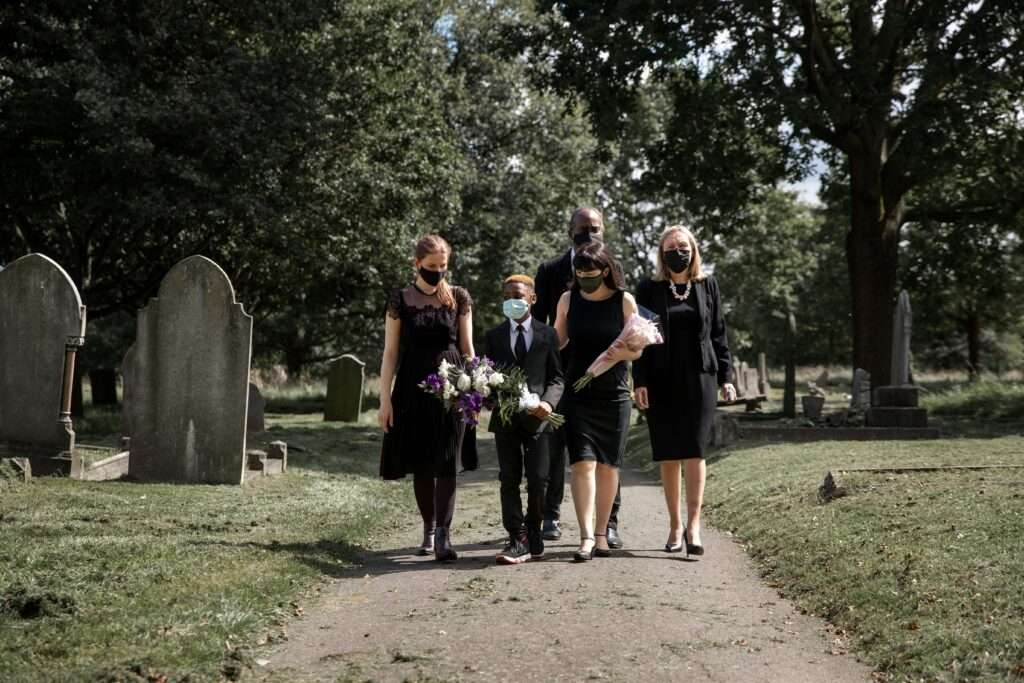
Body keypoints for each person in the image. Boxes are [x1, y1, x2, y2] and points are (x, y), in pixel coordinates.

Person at [633, 225, 736, 558]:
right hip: (661, 379)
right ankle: (675, 525)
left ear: (693, 250)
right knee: (668, 453)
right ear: (662, 254)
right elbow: (638, 338)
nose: (677, 251)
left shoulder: (708, 286)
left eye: (682, 246)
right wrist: (640, 381)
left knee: (694, 450)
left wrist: (727, 376)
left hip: (700, 377)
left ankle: (694, 525)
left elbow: (719, 333)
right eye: (670, 247)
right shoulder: (649, 289)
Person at [533, 207, 625, 549]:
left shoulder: (612, 266)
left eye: (596, 228)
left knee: (608, 459)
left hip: (607, 374)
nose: (590, 234)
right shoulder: (550, 271)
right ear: (570, 231)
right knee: (558, 448)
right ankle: (551, 514)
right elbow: (541, 325)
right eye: (583, 228)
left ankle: (609, 523)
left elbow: (625, 320)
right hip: (562, 375)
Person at [378, 234, 474, 562]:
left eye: (443, 266)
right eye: (431, 266)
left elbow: (468, 349)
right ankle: (429, 530)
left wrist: (474, 392)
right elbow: (390, 353)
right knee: (421, 462)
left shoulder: (459, 297)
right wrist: (384, 400)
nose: (438, 272)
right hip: (412, 386)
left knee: (447, 460)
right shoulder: (400, 299)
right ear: (417, 264)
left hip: (452, 385)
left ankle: (445, 536)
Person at [553, 242, 641, 561]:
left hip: (615, 394)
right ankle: (586, 536)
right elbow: (557, 341)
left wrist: (625, 352)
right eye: (579, 272)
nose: (584, 277)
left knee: (608, 466)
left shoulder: (624, 301)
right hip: (577, 393)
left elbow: (638, 348)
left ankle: (603, 532)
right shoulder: (568, 300)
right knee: (582, 463)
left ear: (605, 271)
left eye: (590, 273)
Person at [484, 275, 564, 565]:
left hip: (538, 421)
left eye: (517, 295)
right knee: (508, 479)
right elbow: (487, 377)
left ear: (532, 299)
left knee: (539, 479)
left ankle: (535, 529)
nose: (511, 301)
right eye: (506, 296)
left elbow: (556, 377)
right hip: (505, 421)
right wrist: (489, 397)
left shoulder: (548, 334)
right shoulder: (493, 336)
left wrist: (547, 402)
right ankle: (516, 536)